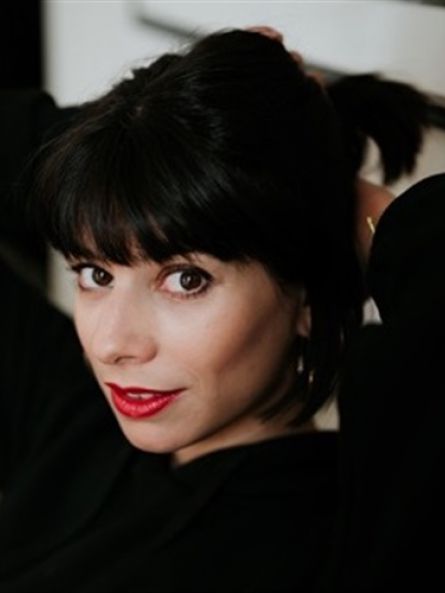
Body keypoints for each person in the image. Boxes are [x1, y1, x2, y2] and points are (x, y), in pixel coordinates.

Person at [0, 28, 429, 592]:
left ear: (307, 292)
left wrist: (366, 215)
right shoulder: (74, 420)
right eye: (96, 274)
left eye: (186, 280)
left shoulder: (343, 543)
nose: (111, 344)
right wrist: (146, 133)